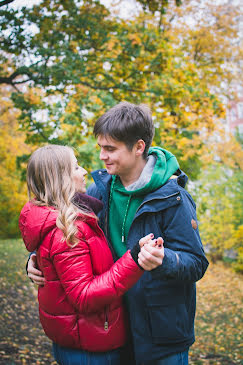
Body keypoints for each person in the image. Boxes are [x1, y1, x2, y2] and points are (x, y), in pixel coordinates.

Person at [27, 102, 209, 365]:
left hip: (162, 337)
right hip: (112, 331)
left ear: (138, 147)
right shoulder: (99, 190)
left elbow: (196, 263)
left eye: (110, 149)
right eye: (100, 147)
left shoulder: (174, 198)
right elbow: (62, 235)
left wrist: (164, 260)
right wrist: (34, 260)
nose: (102, 156)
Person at [20, 144, 164, 365]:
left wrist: (34, 259)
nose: (85, 171)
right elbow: (84, 296)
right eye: (76, 167)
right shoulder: (67, 231)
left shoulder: (63, 221)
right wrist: (134, 258)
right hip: (89, 349)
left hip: (84, 340)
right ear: (62, 178)